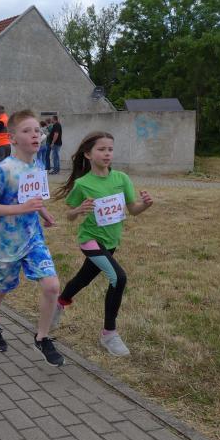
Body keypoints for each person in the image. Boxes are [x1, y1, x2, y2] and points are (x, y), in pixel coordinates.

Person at [52, 131, 154, 356]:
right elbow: (69, 214)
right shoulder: (82, 184)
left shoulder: (121, 179)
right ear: (88, 154)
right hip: (90, 240)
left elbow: (133, 210)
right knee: (119, 278)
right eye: (101, 149)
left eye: (110, 149)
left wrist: (145, 205)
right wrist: (78, 210)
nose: (107, 154)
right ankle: (109, 334)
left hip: (111, 242)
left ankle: (60, 301)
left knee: (83, 278)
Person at [0, 109, 64, 367]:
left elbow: (33, 199)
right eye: (27, 131)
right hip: (5, 243)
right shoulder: (4, 169)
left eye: (37, 130)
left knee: (52, 286)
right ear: (13, 138)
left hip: (33, 239)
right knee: (1, 288)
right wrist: (21, 208)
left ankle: (42, 337)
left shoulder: (38, 165)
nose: (35, 135)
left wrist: (44, 213)